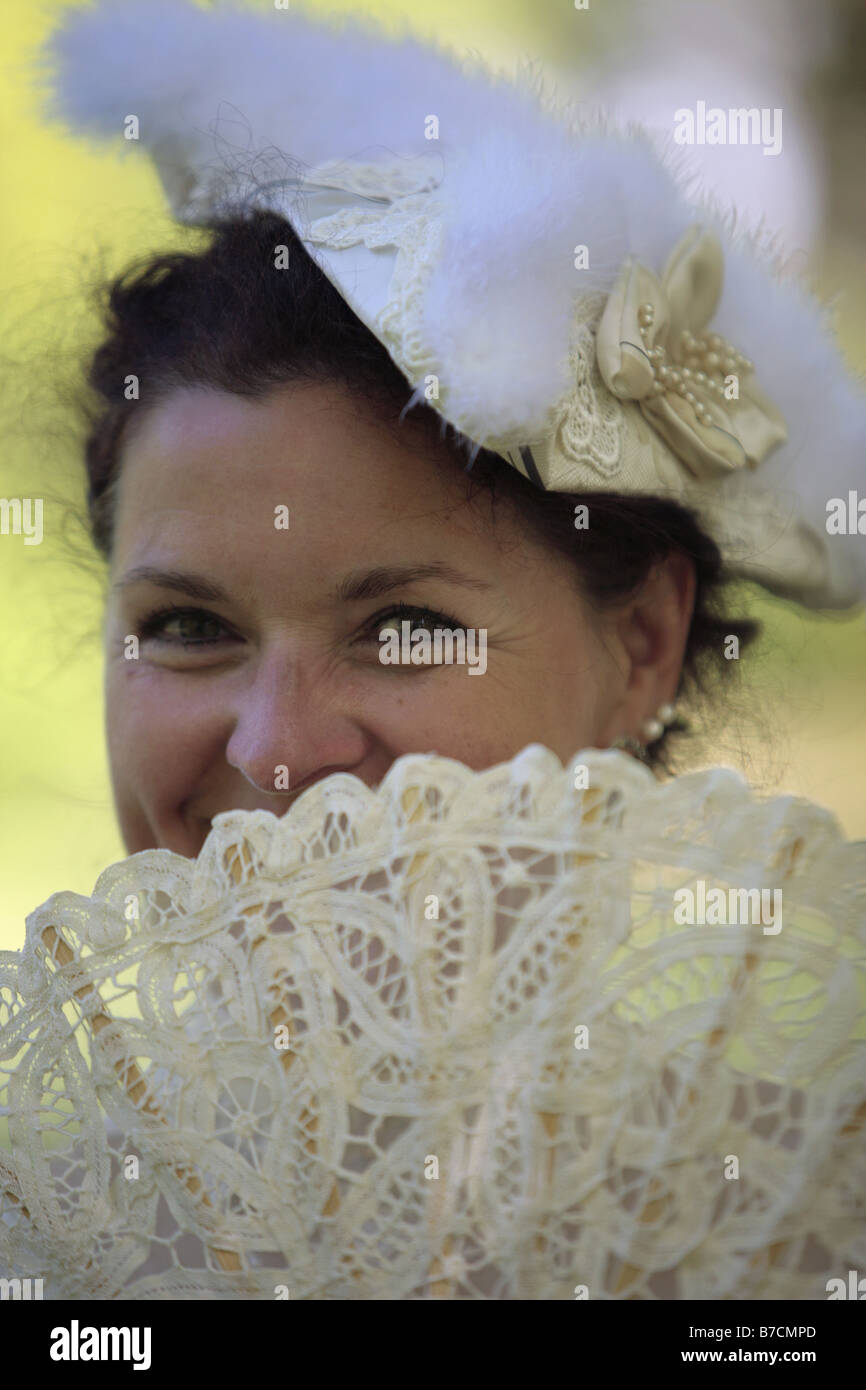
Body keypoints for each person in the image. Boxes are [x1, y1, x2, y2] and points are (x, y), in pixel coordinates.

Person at [1, 0, 863, 1301]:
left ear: (638, 645)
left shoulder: (795, 1236)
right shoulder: (50, 1235)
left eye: (402, 628)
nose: (278, 748)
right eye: (187, 628)